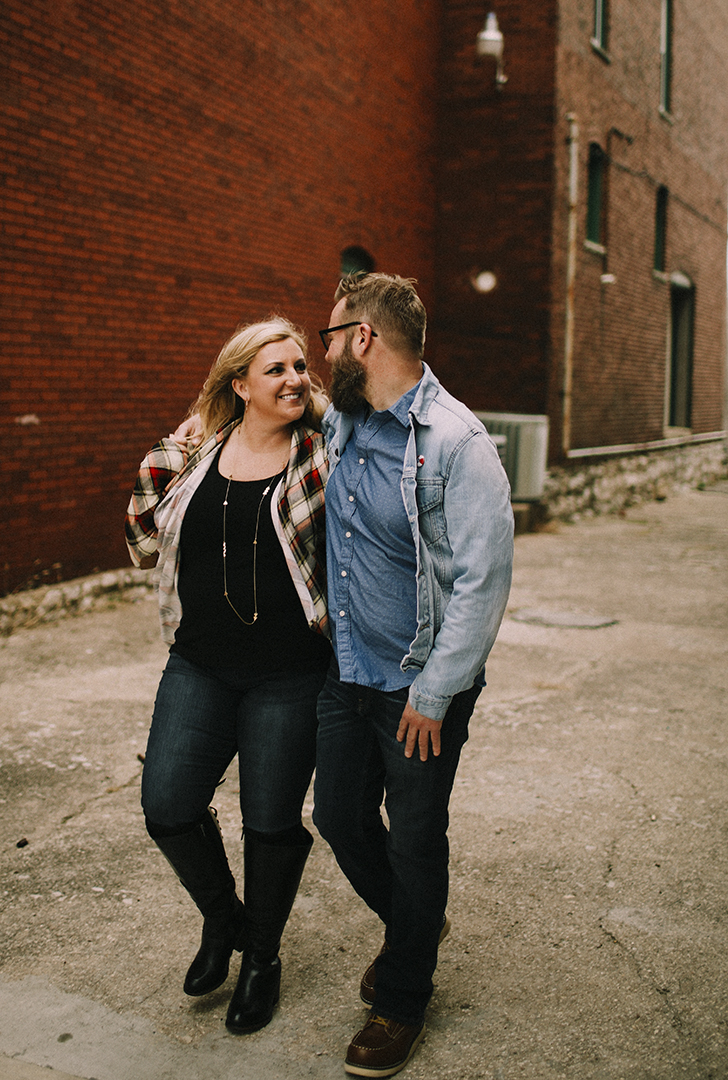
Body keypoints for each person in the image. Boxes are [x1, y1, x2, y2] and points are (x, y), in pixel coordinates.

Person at [312, 273, 514, 1077]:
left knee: (417, 838)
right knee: (340, 818)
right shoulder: (346, 424)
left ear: (363, 339)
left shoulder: (458, 444)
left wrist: (434, 693)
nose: (323, 353)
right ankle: (415, 928)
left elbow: (483, 581)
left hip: (418, 688)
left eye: (329, 337)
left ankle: (401, 997)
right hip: (347, 669)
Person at [125, 317, 332, 1035]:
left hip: (291, 673)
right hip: (200, 664)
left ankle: (262, 959)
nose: (294, 378)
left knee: (270, 824)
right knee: (169, 804)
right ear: (239, 384)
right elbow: (140, 536)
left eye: (301, 365)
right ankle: (225, 920)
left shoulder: (322, 455)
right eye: (275, 369)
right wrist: (168, 453)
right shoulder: (197, 452)